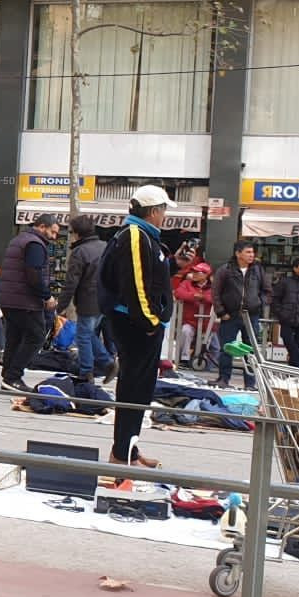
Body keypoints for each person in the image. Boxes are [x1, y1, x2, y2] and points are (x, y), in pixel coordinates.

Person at [99, 185, 176, 470]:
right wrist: (150, 323)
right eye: (164, 210)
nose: (165, 216)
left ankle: (128, 448)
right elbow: (135, 285)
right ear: (154, 211)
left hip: (139, 323)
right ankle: (122, 453)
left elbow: (147, 279)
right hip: (136, 325)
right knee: (133, 389)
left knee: (139, 390)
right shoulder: (135, 236)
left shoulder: (144, 237)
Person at [0, 213, 61, 392]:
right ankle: (13, 376)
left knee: (15, 337)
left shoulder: (19, 239)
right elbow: (34, 274)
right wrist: (46, 296)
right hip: (25, 300)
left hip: (10, 298)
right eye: (53, 232)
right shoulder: (34, 244)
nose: (54, 237)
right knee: (36, 336)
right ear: (42, 227)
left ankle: (7, 376)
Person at [56, 217, 110, 383]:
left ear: (77, 233)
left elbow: (71, 283)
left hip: (88, 299)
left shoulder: (80, 252)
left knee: (83, 335)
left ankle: (88, 371)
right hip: (105, 299)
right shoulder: (105, 247)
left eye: (71, 232)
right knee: (87, 333)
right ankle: (106, 363)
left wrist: (60, 306)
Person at [213, 240, 272, 389]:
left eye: (252, 252)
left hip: (251, 315)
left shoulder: (258, 270)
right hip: (230, 315)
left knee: (250, 349)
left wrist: (259, 302)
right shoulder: (225, 270)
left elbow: (267, 290)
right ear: (238, 253)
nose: (251, 255)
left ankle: (250, 383)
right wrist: (221, 311)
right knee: (227, 348)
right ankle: (223, 379)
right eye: (248, 252)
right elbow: (215, 292)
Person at [173, 263, 215, 366]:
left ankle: (201, 362)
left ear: (206, 275)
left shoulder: (213, 286)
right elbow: (178, 293)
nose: (194, 274)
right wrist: (194, 296)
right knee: (185, 331)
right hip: (189, 320)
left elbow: (215, 298)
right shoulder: (187, 283)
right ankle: (184, 359)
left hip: (207, 323)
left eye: (198, 272)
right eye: (193, 272)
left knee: (211, 344)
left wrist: (203, 297)